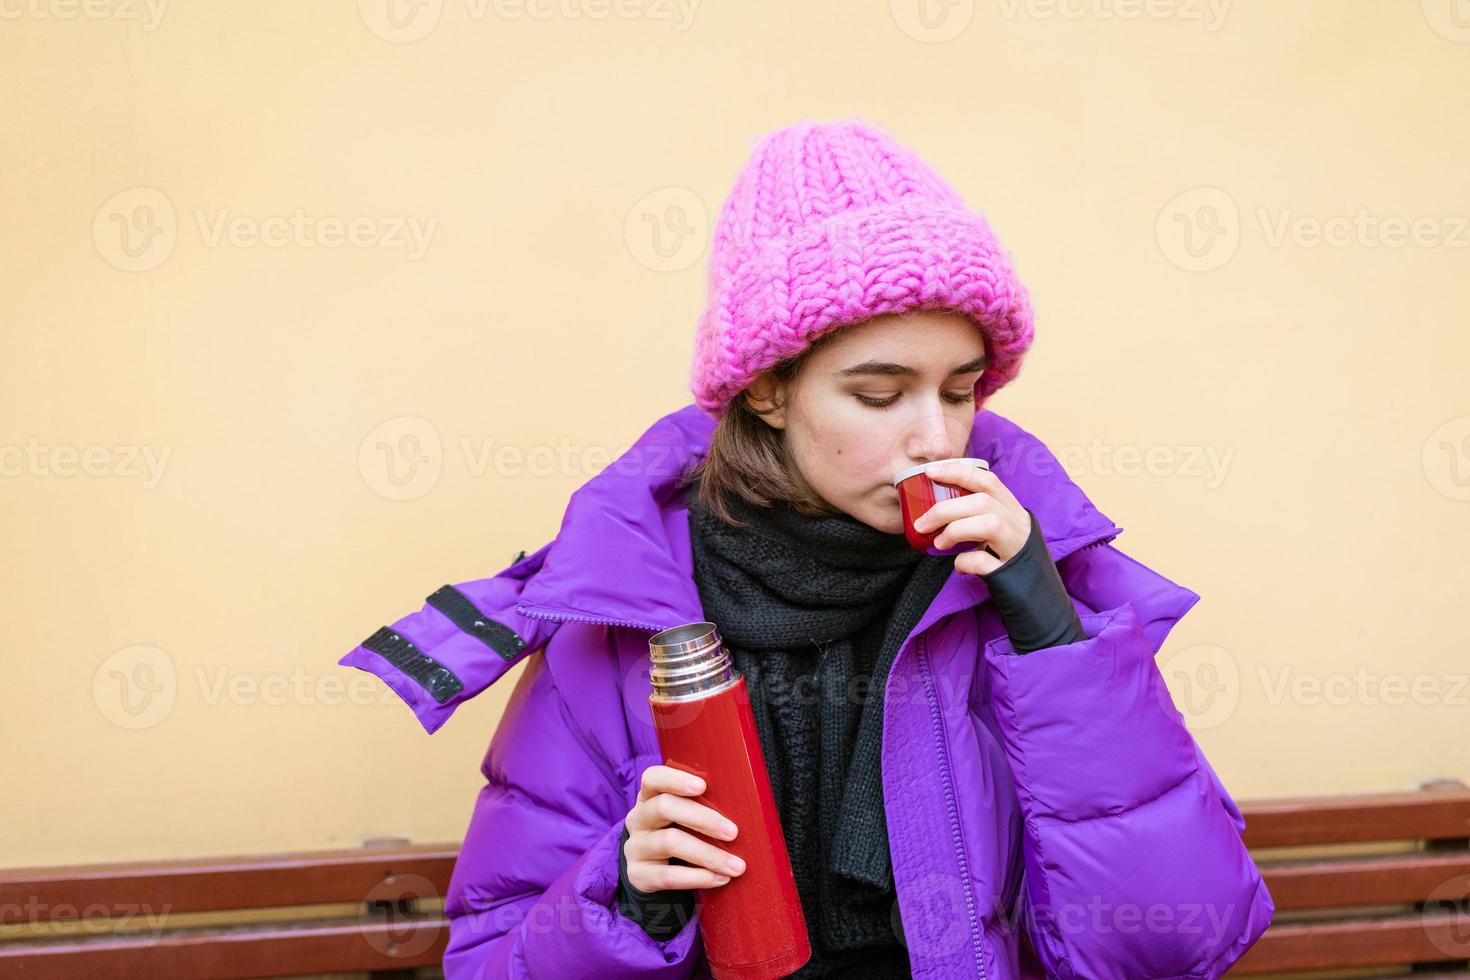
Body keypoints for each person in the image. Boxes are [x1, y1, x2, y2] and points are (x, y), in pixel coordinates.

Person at [339, 118, 1273, 979]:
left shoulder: (1029, 584)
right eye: (879, 394)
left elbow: (1170, 945)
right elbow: (494, 957)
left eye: (960, 389)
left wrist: (1051, 631)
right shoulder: (631, 609)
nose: (935, 439)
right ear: (767, 392)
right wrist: (625, 898)